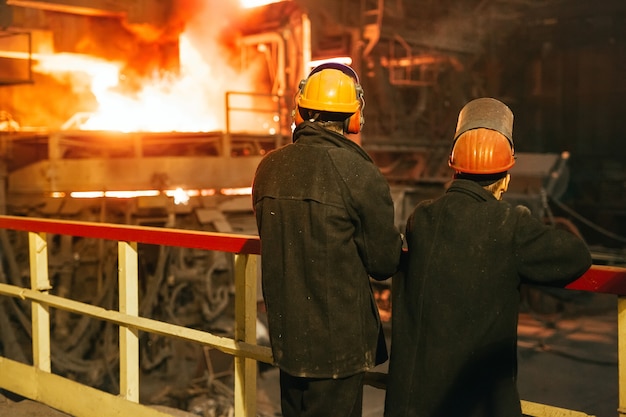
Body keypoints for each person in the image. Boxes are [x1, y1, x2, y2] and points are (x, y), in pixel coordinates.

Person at [384, 97, 592, 417]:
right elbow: (577, 257)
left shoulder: (421, 219)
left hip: (418, 403)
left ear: (455, 170)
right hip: (477, 405)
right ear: (505, 178)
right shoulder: (511, 225)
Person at [251, 62, 402, 417]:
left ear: (300, 110)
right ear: (354, 118)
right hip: (338, 347)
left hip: (288, 338)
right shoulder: (357, 172)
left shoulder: (268, 167)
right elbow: (384, 264)